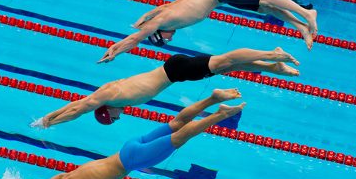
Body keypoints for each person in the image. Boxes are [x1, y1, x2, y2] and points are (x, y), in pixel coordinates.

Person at [33, 90, 244, 179]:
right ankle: (212, 98)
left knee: (179, 137)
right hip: (127, 148)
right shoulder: (67, 177)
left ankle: (220, 114)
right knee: (176, 124)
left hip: (132, 160)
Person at [33, 47, 297, 128]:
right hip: (176, 73)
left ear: (106, 111)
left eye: (113, 117)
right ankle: (274, 67)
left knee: (227, 61)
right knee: (229, 66)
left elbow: (79, 108)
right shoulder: (114, 96)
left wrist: (48, 121)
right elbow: (79, 104)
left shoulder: (109, 95)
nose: (119, 116)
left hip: (175, 71)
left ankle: (273, 55)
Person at [100, 0, 318, 60]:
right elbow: (157, 9)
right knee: (264, 7)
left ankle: (306, 14)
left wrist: (115, 51)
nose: (169, 40)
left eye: (164, 40)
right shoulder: (166, 15)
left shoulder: (162, 22)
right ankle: (301, 27)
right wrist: (141, 18)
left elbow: (134, 39)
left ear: (157, 34)